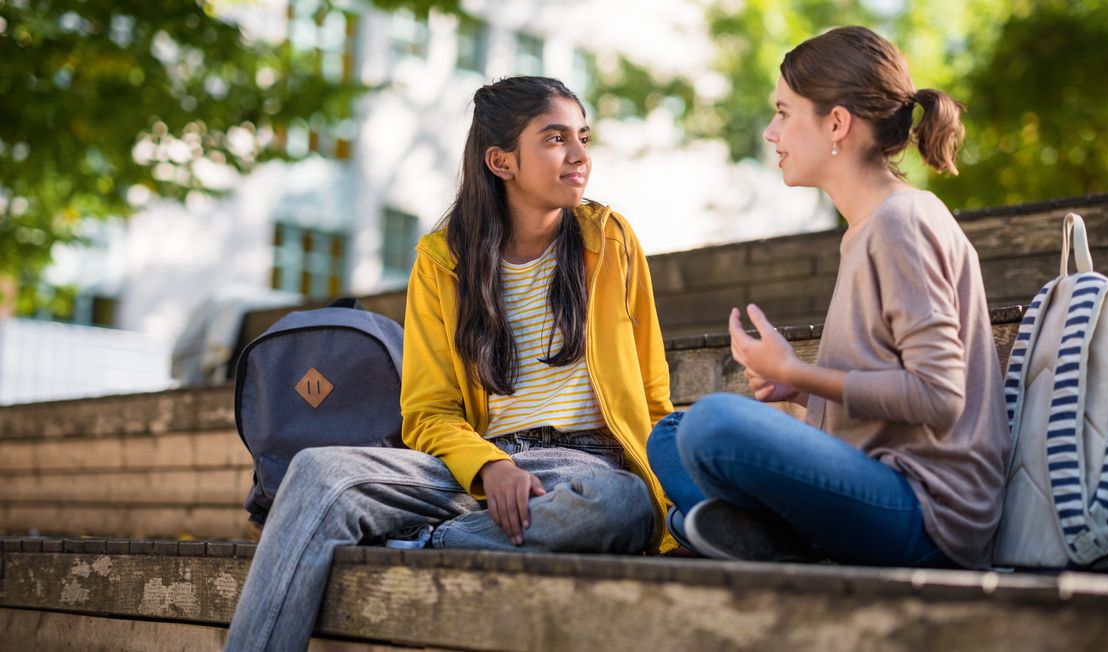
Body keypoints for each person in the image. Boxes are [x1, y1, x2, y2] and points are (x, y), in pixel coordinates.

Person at [225, 76, 675, 652]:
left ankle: (425, 543)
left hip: (581, 470)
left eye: (583, 137)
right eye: (556, 138)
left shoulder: (609, 241)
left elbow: (653, 391)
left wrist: (668, 496)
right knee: (318, 472)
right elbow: (428, 413)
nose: (581, 155)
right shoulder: (441, 262)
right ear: (501, 160)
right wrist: (489, 468)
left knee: (620, 505)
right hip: (472, 469)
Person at [647, 26, 1010, 570]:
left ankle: (750, 534)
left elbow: (939, 399)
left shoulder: (900, 223)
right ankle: (767, 538)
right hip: (876, 488)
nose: (772, 132)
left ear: (837, 123)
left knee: (711, 425)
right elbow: (883, 401)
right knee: (670, 434)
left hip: (928, 514)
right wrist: (798, 390)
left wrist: (803, 372)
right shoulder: (866, 227)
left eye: (784, 112)